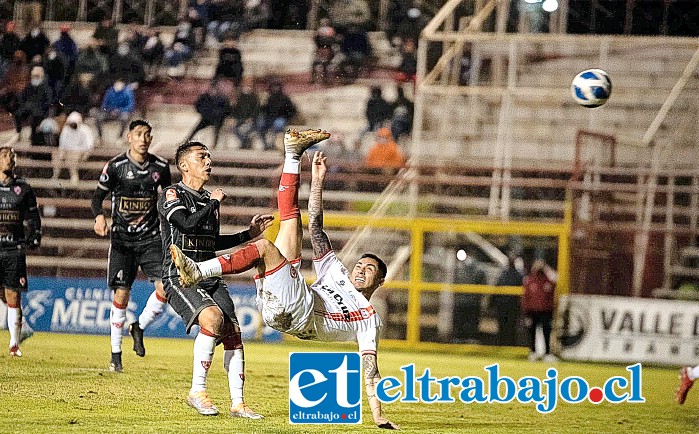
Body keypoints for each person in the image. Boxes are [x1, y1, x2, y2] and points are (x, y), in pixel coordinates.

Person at [169, 129, 400, 429]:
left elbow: (371, 368)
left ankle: (199, 270)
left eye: (370, 270)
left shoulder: (369, 319)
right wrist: (317, 182)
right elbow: (316, 226)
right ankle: (293, 154)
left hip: (298, 312)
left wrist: (378, 414)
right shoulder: (336, 272)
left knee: (265, 247)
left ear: (380, 282)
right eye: (360, 264)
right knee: (292, 219)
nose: (360, 269)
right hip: (290, 302)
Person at [157, 141, 273, 418]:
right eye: (201, 157)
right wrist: (212, 203)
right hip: (180, 276)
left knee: (233, 332)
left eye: (209, 156)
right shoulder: (172, 193)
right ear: (184, 166)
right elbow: (186, 224)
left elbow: (210, 240)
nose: (208, 161)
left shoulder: (209, 200)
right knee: (211, 318)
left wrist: (248, 234)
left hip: (209, 274)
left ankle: (238, 403)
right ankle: (197, 391)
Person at [91, 120, 172, 372]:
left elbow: (169, 199)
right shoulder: (116, 166)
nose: (144, 139)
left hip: (150, 240)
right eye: (139, 134)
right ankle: (116, 355)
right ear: (129, 137)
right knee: (121, 295)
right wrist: (99, 216)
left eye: (148, 134)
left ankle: (139, 326)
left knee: (166, 287)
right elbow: (97, 197)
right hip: (122, 242)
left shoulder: (160, 166)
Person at [0, 146, 41, 357]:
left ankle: (14, 344)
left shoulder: (23, 188)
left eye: (12, 156)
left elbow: (33, 216)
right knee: (4, 296)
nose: (10, 160)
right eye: (5, 156)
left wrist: (35, 234)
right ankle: (23, 328)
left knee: (12, 295)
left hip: (13, 249)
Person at [522, 258, 558, 362]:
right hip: (533, 311)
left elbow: (555, 279)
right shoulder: (530, 280)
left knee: (546, 332)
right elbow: (526, 298)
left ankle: (547, 353)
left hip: (546, 311)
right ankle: (533, 352)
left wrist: (546, 268)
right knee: (532, 332)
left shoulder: (548, 280)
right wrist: (526, 313)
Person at [186, 82, 232, 149]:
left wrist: (222, 116)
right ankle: (186, 142)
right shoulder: (205, 97)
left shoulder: (222, 99)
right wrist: (202, 113)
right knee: (195, 130)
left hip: (218, 118)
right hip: (206, 118)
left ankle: (215, 145)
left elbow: (227, 109)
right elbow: (197, 105)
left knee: (217, 131)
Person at [52, 111, 94, 184]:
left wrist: (85, 154)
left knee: (71, 156)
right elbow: (62, 143)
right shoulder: (66, 129)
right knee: (56, 154)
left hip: (80, 151)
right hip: (67, 150)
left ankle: (74, 177)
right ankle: (55, 176)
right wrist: (61, 152)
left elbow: (89, 145)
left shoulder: (85, 130)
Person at [95, 78, 136, 145]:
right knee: (98, 118)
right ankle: (100, 138)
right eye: (116, 84)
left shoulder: (128, 92)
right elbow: (104, 104)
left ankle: (119, 138)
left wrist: (120, 110)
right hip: (109, 112)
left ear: (123, 84)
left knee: (125, 118)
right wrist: (108, 110)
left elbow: (130, 106)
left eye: (119, 84)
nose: (117, 85)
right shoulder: (109, 91)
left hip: (121, 112)